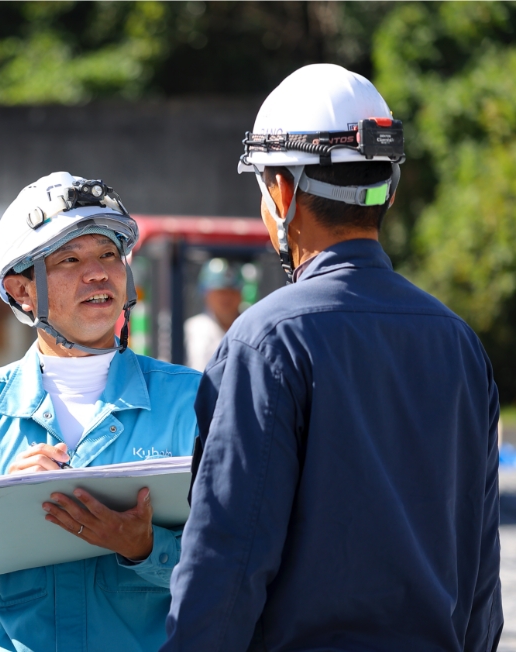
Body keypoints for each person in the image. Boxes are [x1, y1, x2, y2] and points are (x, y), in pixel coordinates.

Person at [163, 64, 502, 651]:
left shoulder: (266, 341)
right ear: (388, 188)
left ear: (283, 192)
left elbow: (227, 562)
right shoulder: (458, 343)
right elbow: (479, 575)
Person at [0, 172, 201, 651]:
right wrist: (1, 507)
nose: (98, 273)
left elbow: (243, 557)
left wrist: (147, 548)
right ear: (22, 290)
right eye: (70, 259)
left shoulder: (197, 403)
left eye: (108, 254)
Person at [184, 258, 243, 371]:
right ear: (207, 294)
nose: (226, 298)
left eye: (232, 291)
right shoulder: (193, 328)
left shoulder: (251, 326)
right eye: (220, 292)